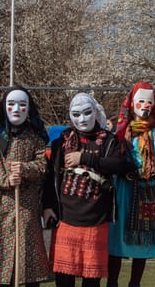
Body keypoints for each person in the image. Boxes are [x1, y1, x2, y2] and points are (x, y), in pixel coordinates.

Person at [42, 93, 132, 287]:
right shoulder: (62, 142)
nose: (82, 119)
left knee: (91, 281)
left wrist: (84, 159)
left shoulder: (109, 141)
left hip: (96, 221)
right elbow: (50, 177)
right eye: (76, 114)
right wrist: (48, 206)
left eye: (87, 113)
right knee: (64, 280)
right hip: (65, 219)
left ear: (95, 112)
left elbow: (120, 165)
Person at [0, 87, 51, 287]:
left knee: (28, 263)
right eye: (12, 104)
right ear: (4, 106)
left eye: (22, 104)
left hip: (25, 208)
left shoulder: (35, 136)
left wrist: (25, 169)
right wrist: (5, 179)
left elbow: (43, 166)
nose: (17, 108)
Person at [108, 82, 155, 287]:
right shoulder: (122, 130)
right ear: (133, 103)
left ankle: (135, 283)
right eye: (141, 101)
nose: (144, 105)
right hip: (124, 190)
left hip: (149, 189)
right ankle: (112, 282)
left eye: (148, 102)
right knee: (117, 238)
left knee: (144, 237)